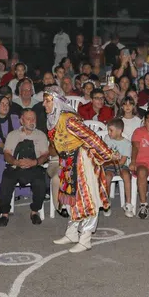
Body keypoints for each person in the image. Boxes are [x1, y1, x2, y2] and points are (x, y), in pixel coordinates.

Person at [45, 89, 120, 253]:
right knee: (70, 197)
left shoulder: (69, 120)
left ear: (56, 103)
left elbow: (91, 137)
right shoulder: (53, 119)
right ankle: (72, 233)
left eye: (48, 101)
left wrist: (108, 154)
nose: (44, 104)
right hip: (67, 161)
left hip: (82, 160)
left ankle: (85, 239)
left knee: (87, 199)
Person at [0, 108, 50, 226]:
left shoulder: (40, 135)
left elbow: (45, 155)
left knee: (40, 183)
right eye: (28, 119)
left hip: (34, 166)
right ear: (21, 121)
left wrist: (35, 162)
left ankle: (34, 211)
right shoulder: (13, 135)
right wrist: (15, 162)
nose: (32, 121)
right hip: (16, 166)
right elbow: (7, 154)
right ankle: (4, 213)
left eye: (33, 118)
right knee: (6, 180)